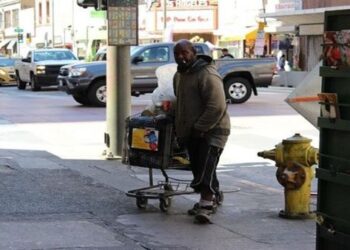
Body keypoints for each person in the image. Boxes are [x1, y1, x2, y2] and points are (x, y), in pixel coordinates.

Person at [173, 39, 231, 224]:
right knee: (200, 166)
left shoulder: (206, 73)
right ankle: (214, 195)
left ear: (194, 53)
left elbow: (217, 106)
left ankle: (206, 204)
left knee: (205, 166)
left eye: (185, 53)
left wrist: (200, 127)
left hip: (213, 130)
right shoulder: (180, 75)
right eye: (177, 54)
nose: (181, 57)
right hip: (193, 131)